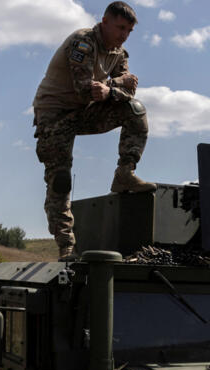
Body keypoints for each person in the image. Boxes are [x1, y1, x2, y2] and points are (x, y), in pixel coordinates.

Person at [33, 1, 155, 261]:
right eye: (120, 28)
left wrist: (111, 89)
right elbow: (83, 88)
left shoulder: (119, 53)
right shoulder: (83, 42)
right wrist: (115, 84)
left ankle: (125, 173)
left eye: (129, 31)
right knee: (61, 179)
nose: (123, 35)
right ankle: (67, 247)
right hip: (54, 116)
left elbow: (125, 93)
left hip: (86, 111)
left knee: (135, 110)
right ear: (105, 22)